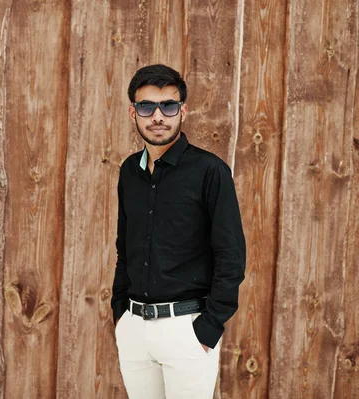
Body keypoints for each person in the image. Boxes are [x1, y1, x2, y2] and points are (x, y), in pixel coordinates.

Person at [111, 64, 246, 398]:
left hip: (187, 329)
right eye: (147, 107)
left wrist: (209, 327)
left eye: (168, 106)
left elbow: (231, 255)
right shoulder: (130, 171)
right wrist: (120, 315)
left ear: (182, 111)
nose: (158, 116)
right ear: (133, 112)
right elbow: (124, 248)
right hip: (134, 328)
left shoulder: (209, 172)